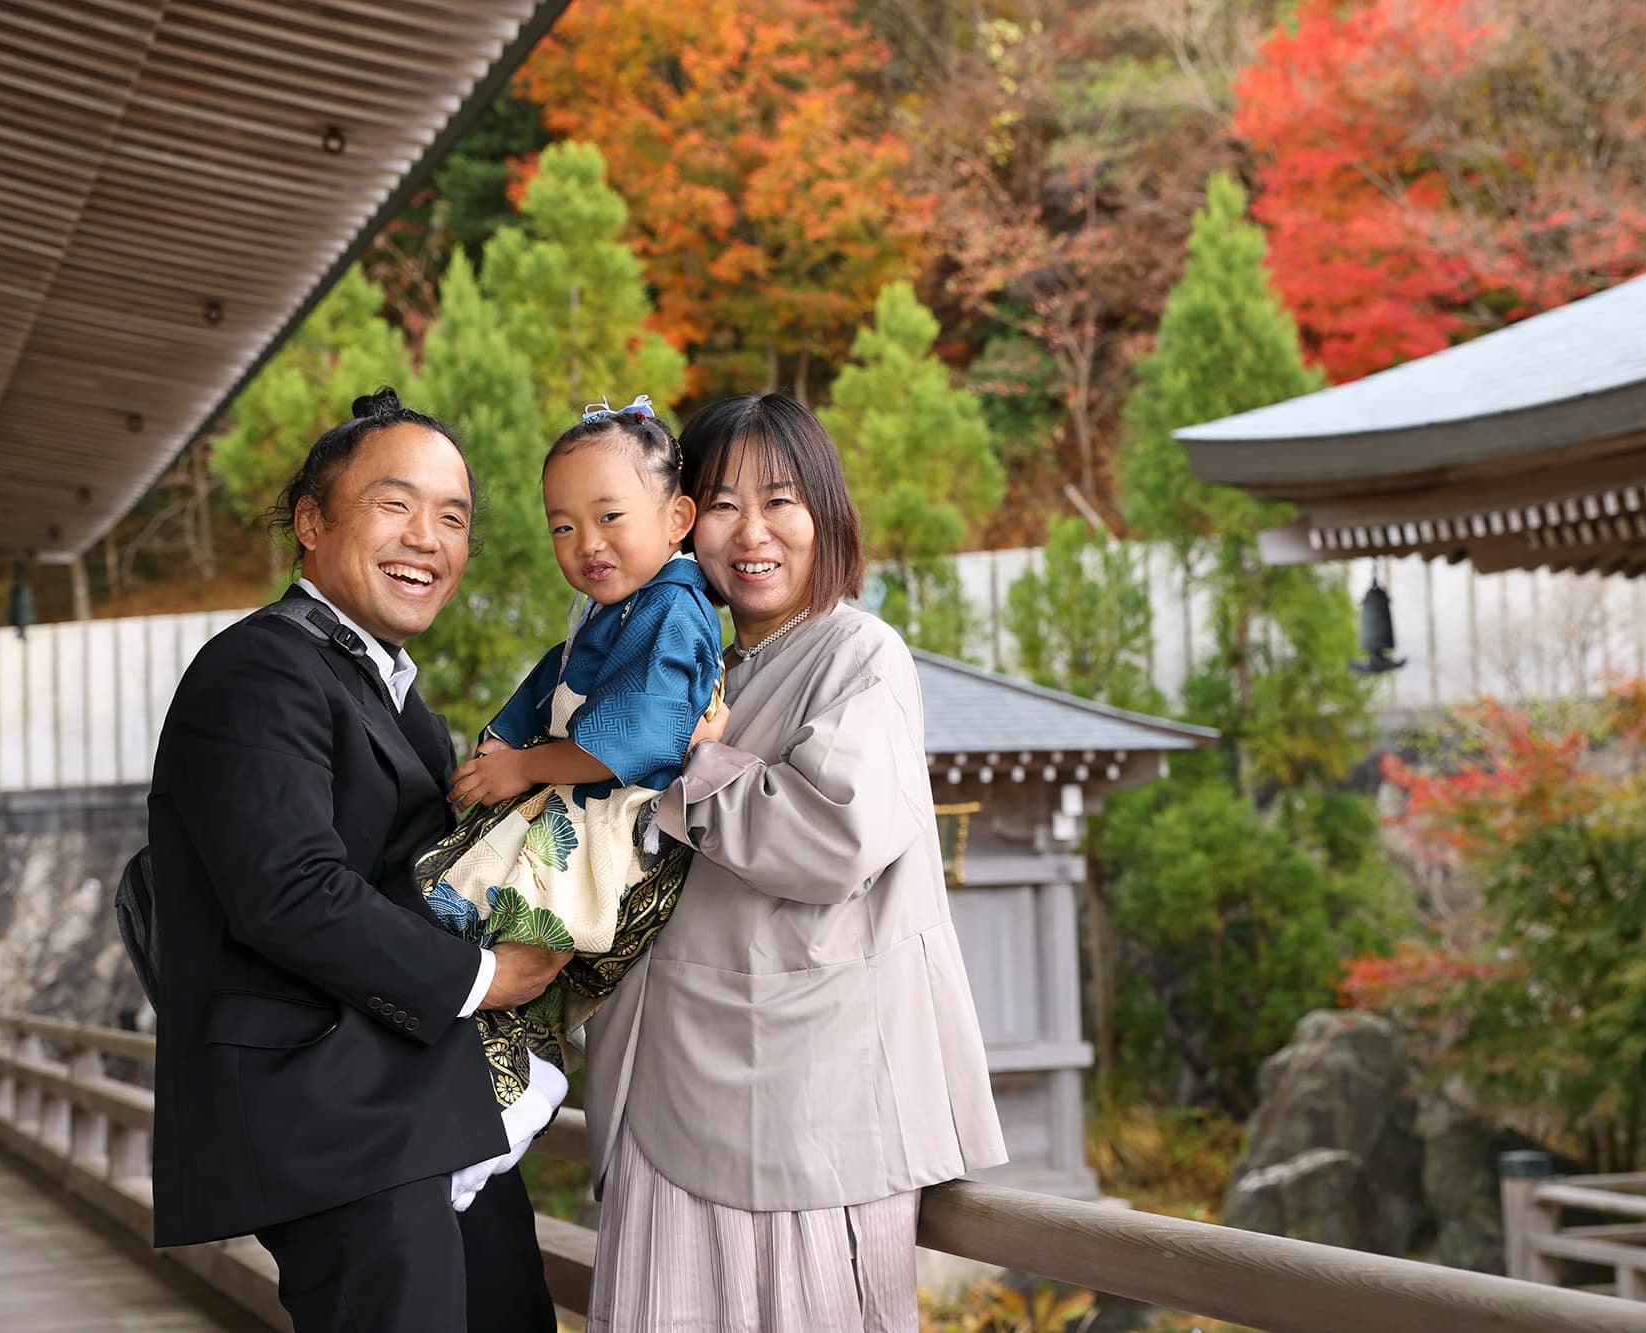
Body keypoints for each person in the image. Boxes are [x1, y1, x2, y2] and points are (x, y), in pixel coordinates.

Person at [582, 393, 1008, 1332]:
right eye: (721, 503)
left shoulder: (861, 653)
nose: (753, 532)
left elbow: (835, 832)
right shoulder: (697, 665)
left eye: (781, 500)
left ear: (827, 511)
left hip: (810, 1106)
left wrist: (672, 762)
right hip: (667, 1082)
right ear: (682, 523)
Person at [146, 388, 563, 1333]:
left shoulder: (393, 692)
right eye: (396, 503)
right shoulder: (256, 669)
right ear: (309, 521)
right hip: (337, 1118)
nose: (428, 537)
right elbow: (288, 891)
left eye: (452, 517)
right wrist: (488, 977)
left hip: (420, 1106)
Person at [417, 395, 724, 1122]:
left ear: (677, 519)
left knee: (525, 955)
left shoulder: (676, 609)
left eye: (610, 516)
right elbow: (551, 680)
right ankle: (483, 1089)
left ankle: (522, 1088)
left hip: (614, 820)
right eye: (564, 525)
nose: (587, 541)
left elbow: (640, 736)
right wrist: (506, 738)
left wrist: (522, 767)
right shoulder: (609, 609)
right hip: (574, 803)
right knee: (463, 925)